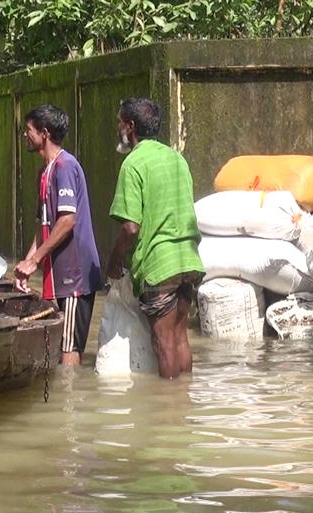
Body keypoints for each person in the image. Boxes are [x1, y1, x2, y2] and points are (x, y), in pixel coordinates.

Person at [106, 97, 203, 379]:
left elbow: (130, 228)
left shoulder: (133, 163)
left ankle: (168, 413)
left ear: (130, 126)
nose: (118, 128)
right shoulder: (176, 158)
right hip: (188, 259)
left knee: (163, 343)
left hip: (159, 265)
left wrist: (114, 262)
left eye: (119, 122)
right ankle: (184, 405)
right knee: (181, 337)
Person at [14, 105, 103, 366]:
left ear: (44, 133)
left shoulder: (65, 166)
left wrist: (35, 260)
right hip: (60, 274)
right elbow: (44, 226)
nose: (25, 136)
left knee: (68, 348)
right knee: (61, 345)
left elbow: (66, 220)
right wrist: (27, 265)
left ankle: (69, 402)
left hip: (75, 274)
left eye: (28, 130)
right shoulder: (45, 172)